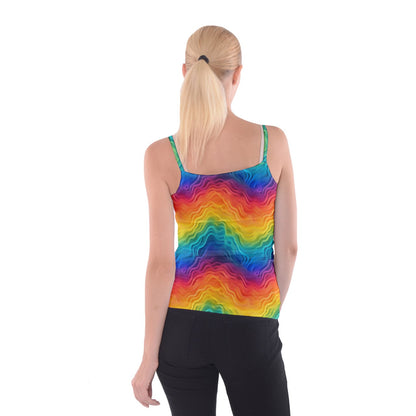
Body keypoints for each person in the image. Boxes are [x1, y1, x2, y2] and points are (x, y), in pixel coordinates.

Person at [131, 25, 297, 416]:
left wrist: (148, 357)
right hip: (251, 324)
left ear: (184, 72)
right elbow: (289, 247)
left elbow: (160, 264)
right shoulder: (272, 143)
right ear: (237, 74)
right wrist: (262, 312)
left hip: (182, 328)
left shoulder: (162, 155)